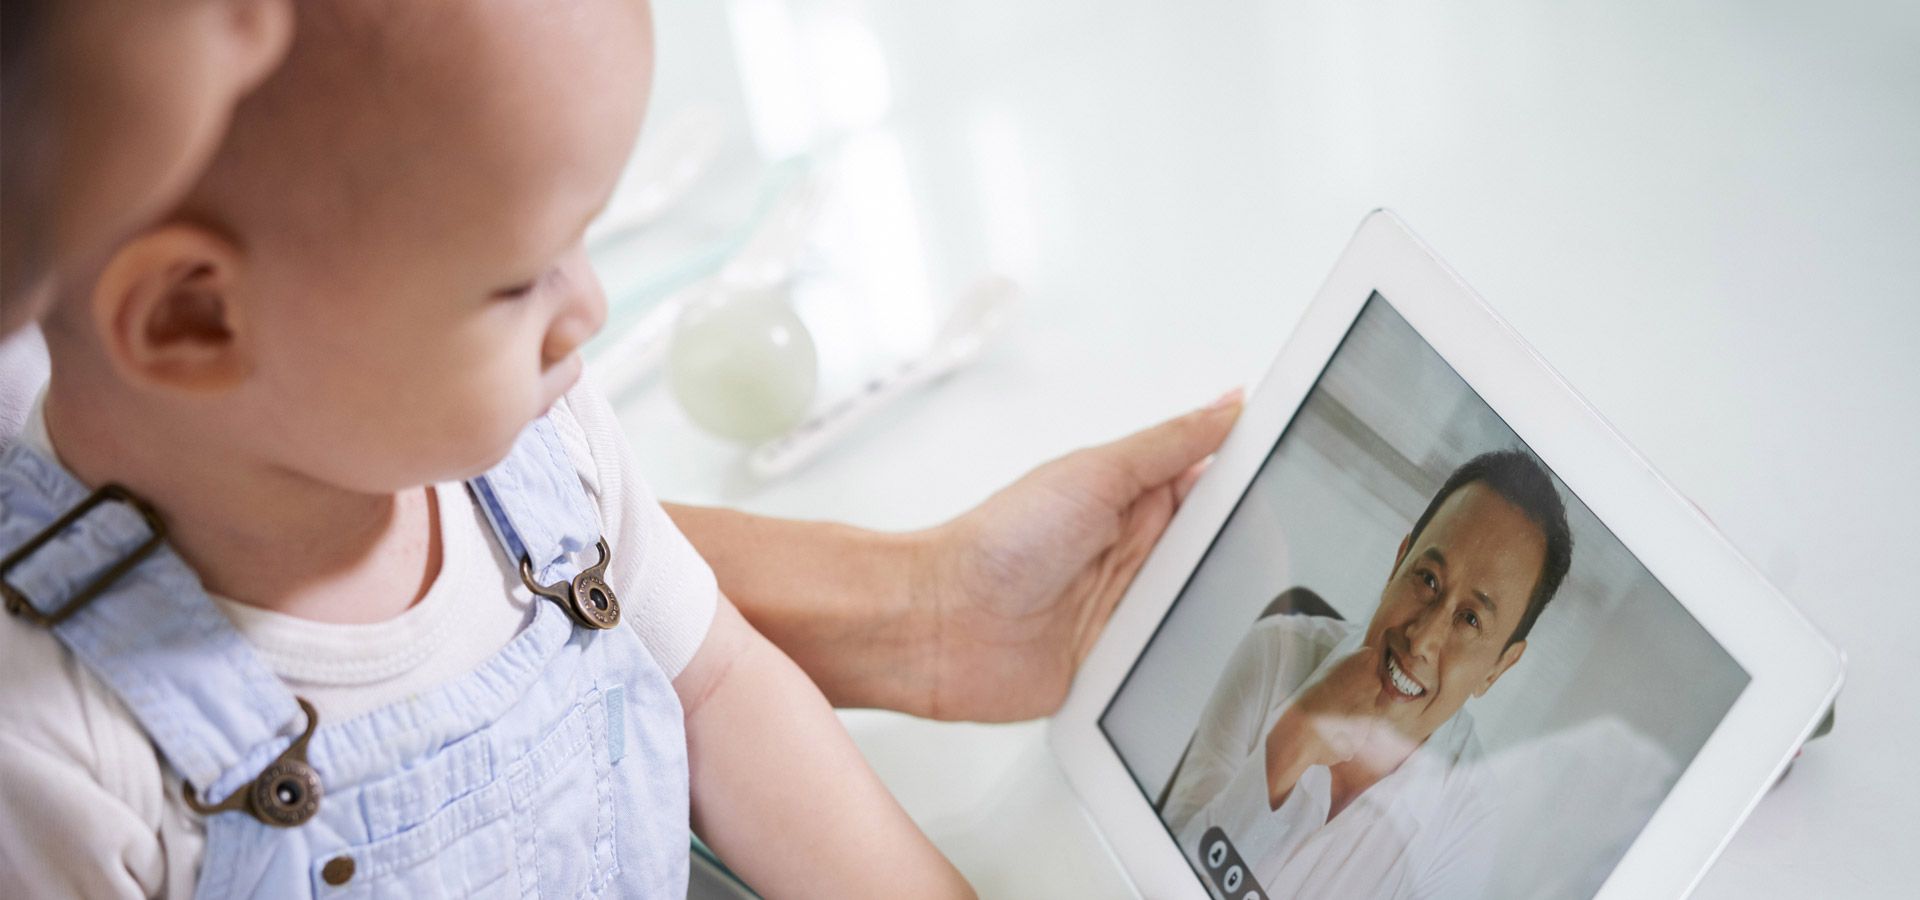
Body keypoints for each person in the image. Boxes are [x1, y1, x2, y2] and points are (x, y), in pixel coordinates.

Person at [1163, 450, 1574, 900]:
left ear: (1497, 667)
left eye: (1470, 620)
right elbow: (1155, 871)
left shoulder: (1467, 821)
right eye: (1429, 580)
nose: (1422, 639)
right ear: (1399, 562)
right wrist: (1290, 742)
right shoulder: (1275, 653)